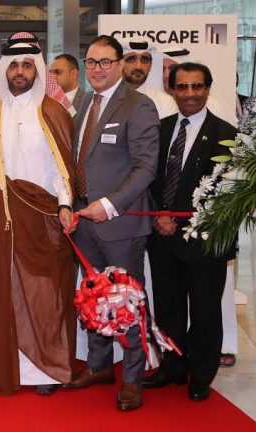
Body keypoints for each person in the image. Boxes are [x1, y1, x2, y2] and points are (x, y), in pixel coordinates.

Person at [0, 42, 77, 396]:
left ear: (37, 70)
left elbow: (64, 167)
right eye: (14, 65)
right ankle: (7, 365)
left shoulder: (53, 111)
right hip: (0, 219)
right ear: (4, 70)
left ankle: (46, 368)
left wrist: (65, 204)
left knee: (45, 292)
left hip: (44, 217)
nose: (20, 71)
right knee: (4, 288)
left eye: (27, 65)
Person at [64, 35, 159, 412]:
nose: (98, 69)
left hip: (120, 224)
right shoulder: (83, 103)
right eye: (91, 62)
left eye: (105, 62)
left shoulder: (138, 105)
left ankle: (133, 378)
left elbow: (145, 167)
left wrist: (109, 205)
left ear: (120, 65)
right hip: (84, 222)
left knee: (127, 301)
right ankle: (99, 365)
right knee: (94, 297)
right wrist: (70, 205)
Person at [144, 63, 237, 401]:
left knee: (204, 311)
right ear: (172, 89)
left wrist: (178, 219)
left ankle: (200, 374)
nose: (190, 94)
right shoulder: (160, 129)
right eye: (182, 87)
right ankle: (172, 367)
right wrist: (159, 214)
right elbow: (147, 176)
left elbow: (225, 192)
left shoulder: (227, 134)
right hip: (162, 237)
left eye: (197, 86)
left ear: (208, 89)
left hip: (205, 241)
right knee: (167, 307)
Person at [120, 37, 176, 119]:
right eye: (131, 59)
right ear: (119, 63)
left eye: (145, 59)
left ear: (151, 65)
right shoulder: (104, 98)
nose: (139, 66)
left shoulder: (165, 102)